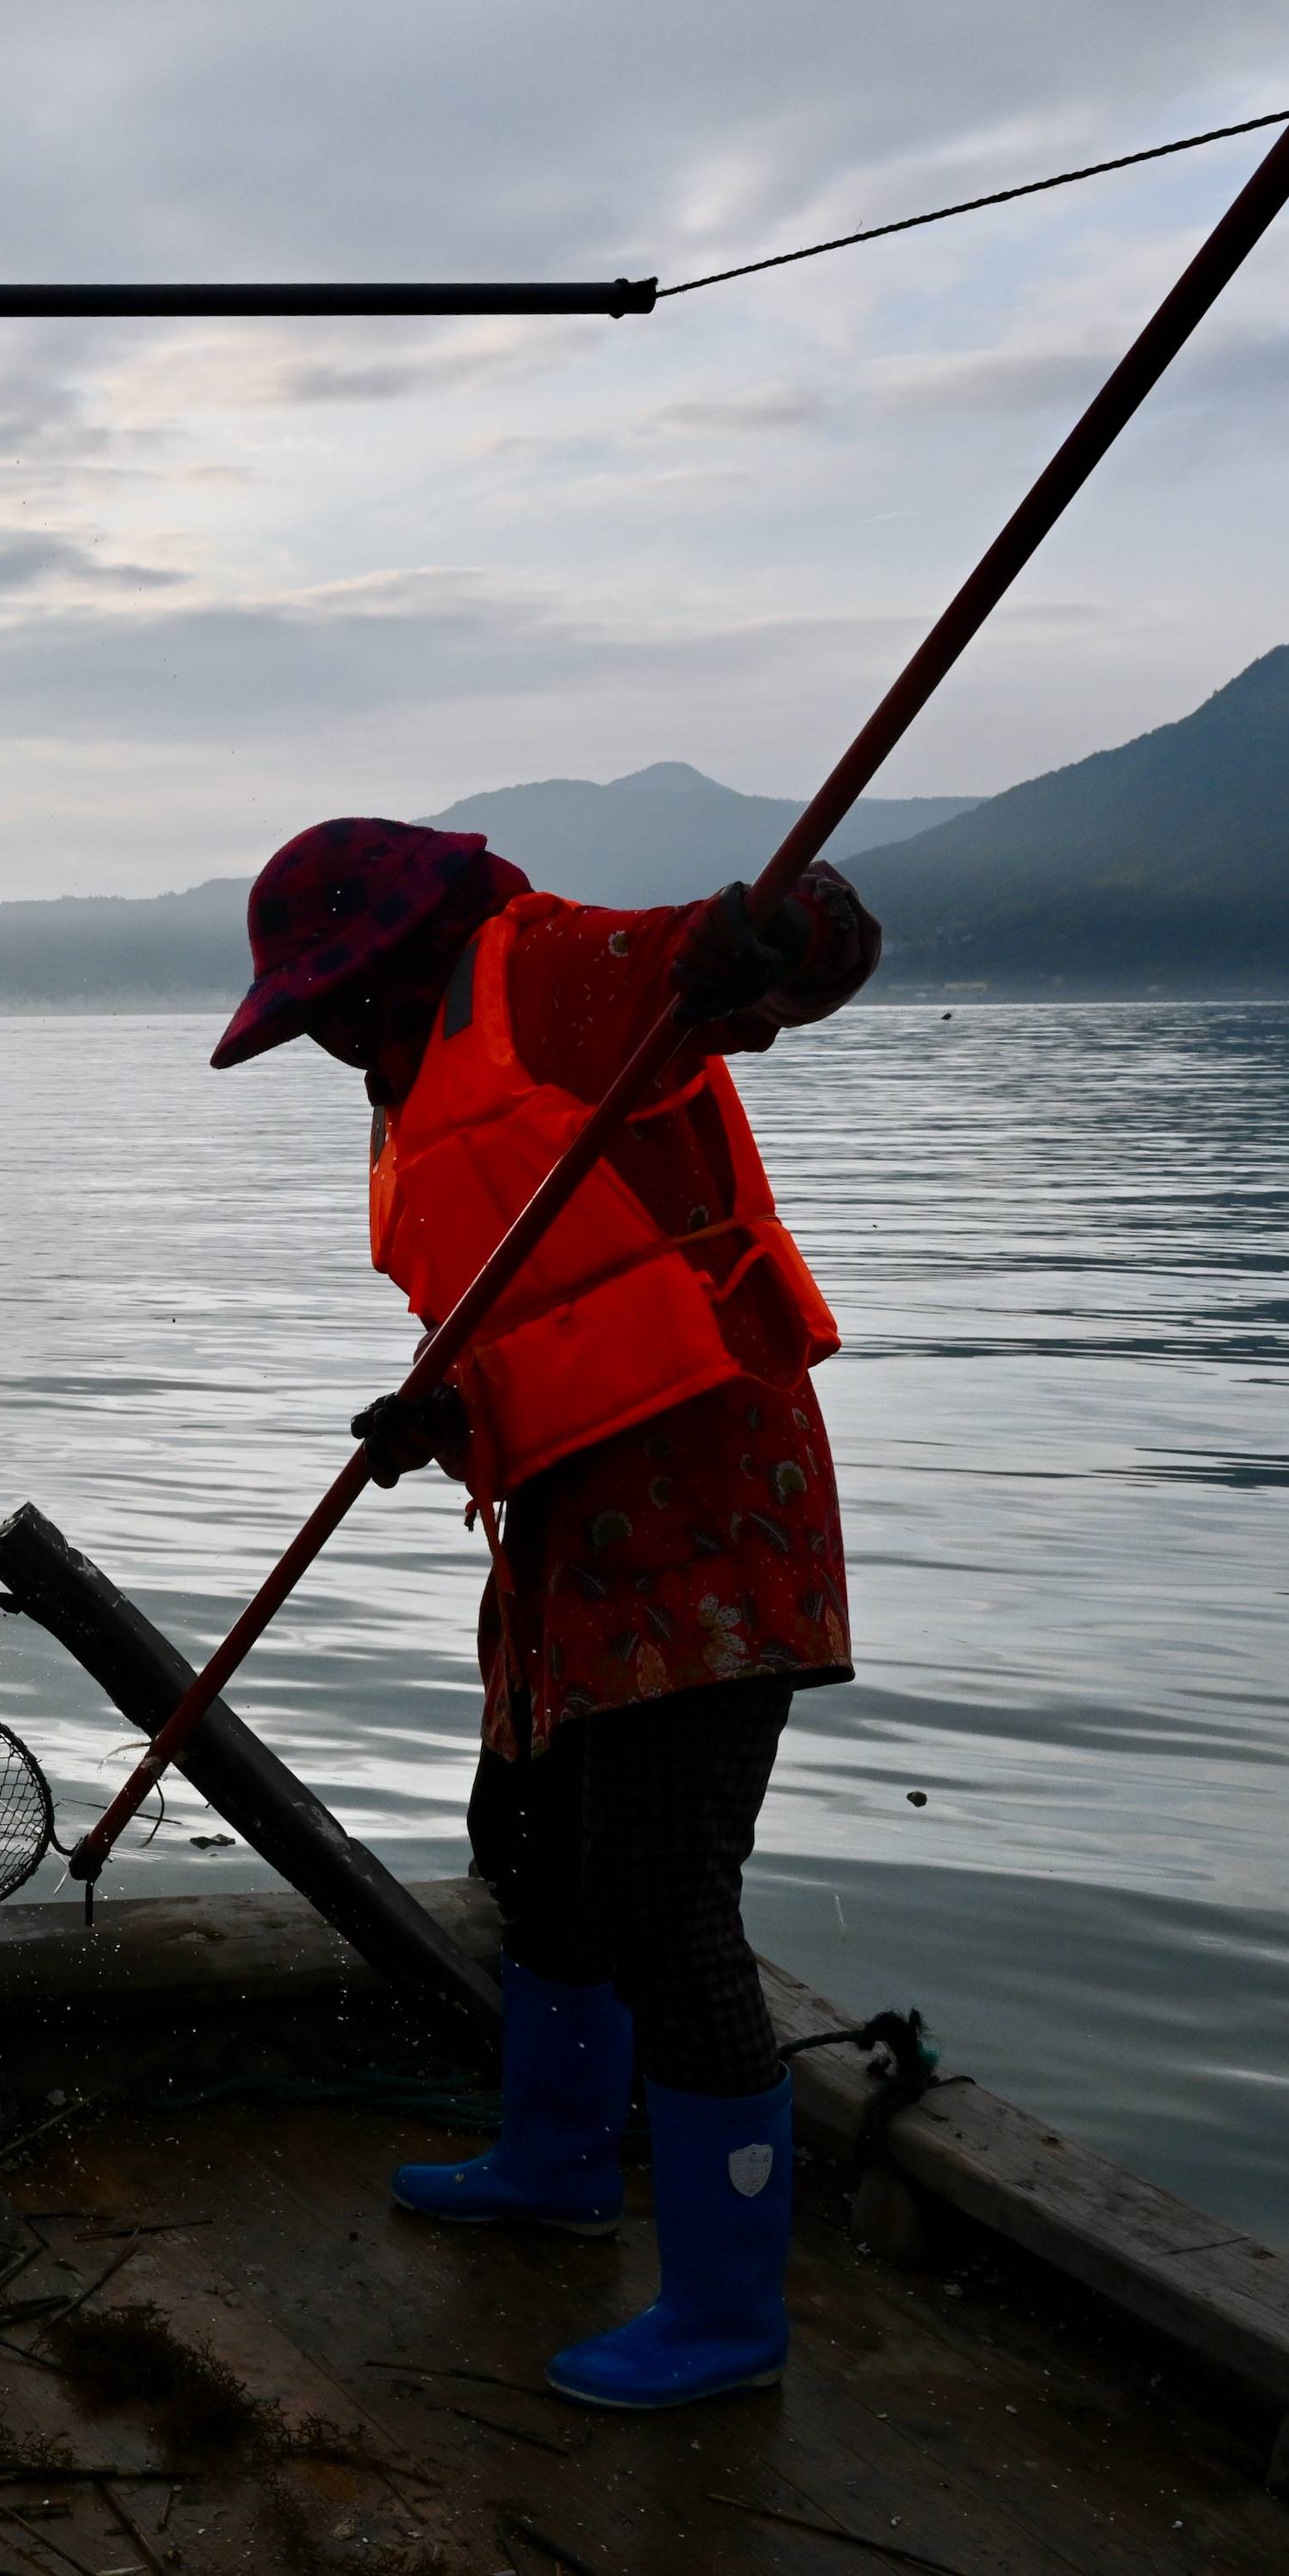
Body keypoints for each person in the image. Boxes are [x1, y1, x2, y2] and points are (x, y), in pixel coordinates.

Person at [210, 817, 878, 2410]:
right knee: (527, 1842)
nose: (322, 1045)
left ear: (387, 969)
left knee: (664, 1897)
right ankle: (558, 2158)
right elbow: (541, 1296)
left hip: (710, 1500)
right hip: (569, 1527)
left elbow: (820, 940)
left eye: (326, 1009)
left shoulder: (559, 973)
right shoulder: (419, 1073)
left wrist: (775, 940)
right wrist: (433, 1412)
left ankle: (726, 2319)